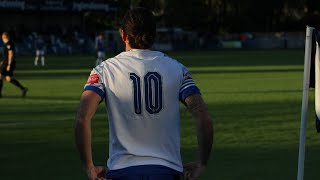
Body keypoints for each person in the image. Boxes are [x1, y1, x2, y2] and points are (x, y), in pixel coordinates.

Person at [75, 7, 213, 180]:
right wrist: (202, 163)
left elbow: (82, 118)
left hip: (122, 171)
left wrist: (89, 167)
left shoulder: (103, 70)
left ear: (123, 34)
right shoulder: (178, 69)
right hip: (167, 171)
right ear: (154, 35)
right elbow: (203, 117)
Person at [0, 32, 28, 98]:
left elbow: (11, 54)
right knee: (8, 78)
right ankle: (23, 89)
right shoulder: (8, 44)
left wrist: (9, 64)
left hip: (8, 64)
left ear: (4, 37)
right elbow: (6, 55)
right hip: (6, 63)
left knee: (0, 76)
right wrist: (2, 62)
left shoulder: (9, 44)